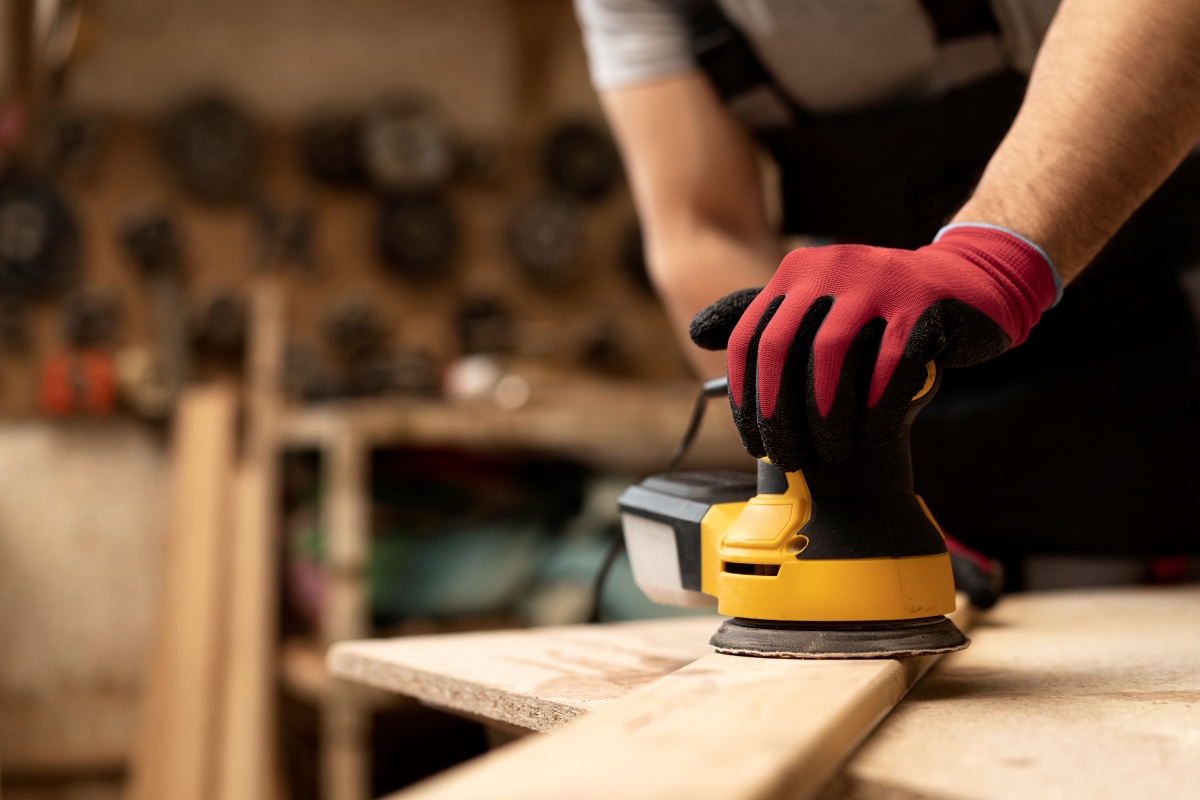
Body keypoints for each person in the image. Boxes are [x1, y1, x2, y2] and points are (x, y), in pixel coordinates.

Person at [574, 0, 1200, 587]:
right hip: (905, 393)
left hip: (1155, 352)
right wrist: (823, 484)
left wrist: (994, 258)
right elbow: (707, 228)